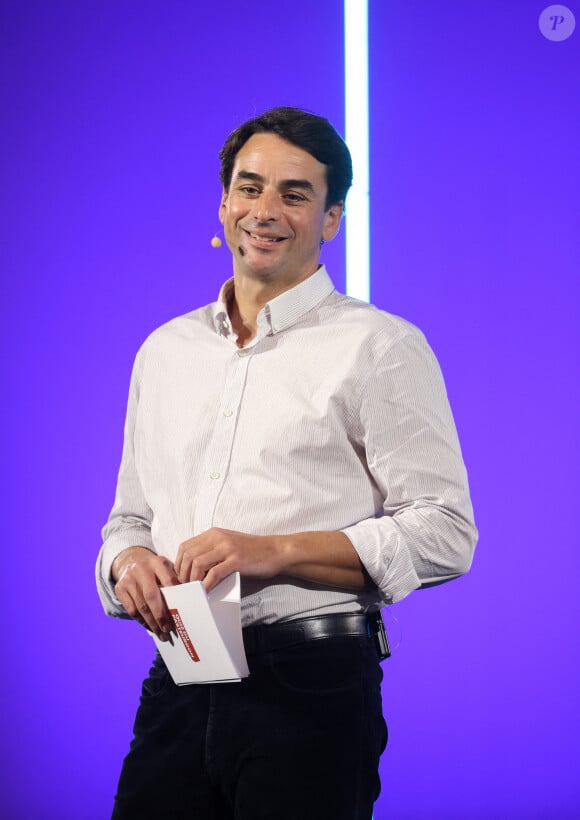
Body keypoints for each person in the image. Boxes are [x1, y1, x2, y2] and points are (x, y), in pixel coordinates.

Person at [96, 106, 477, 820]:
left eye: (295, 194)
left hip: (313, 685)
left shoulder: (380, 347)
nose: (265, 210)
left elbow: (446, 532)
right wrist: (126, 566)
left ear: (331, 218)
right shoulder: (164, 352)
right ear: (224, 203)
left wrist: (269, 553)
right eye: (250, 187)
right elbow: (130, 519)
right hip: (180, 673)